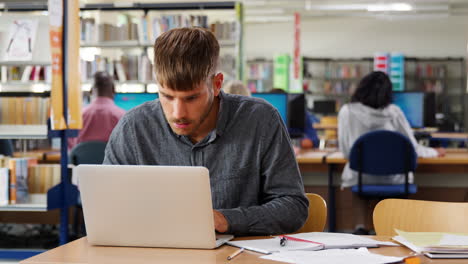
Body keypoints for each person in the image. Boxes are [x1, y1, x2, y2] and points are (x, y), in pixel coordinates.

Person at [103, 27, 308, 236]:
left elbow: (293, 207)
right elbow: (106, 207)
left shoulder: (260, 120)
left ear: (217, 84)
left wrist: (227, 220)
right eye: (167, 96)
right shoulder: (133, 128)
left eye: (191, 98)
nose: (178, 113)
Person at [338, 71, 445, 233]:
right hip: (394, 179)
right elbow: (413, 148)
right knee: (389, 184)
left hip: (360, 177)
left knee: (359, 182)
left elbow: (346, 153)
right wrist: (434, 152)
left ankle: (359, 228)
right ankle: (387, 228)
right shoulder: (394, 112)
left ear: (361, 88)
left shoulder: (347, 111)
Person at [68, 71, 125, 150]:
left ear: (91, 91)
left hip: (83, 161)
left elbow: (71, 147)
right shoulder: (123, 117)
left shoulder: (77, 117)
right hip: (111, 162)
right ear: (114, 90)